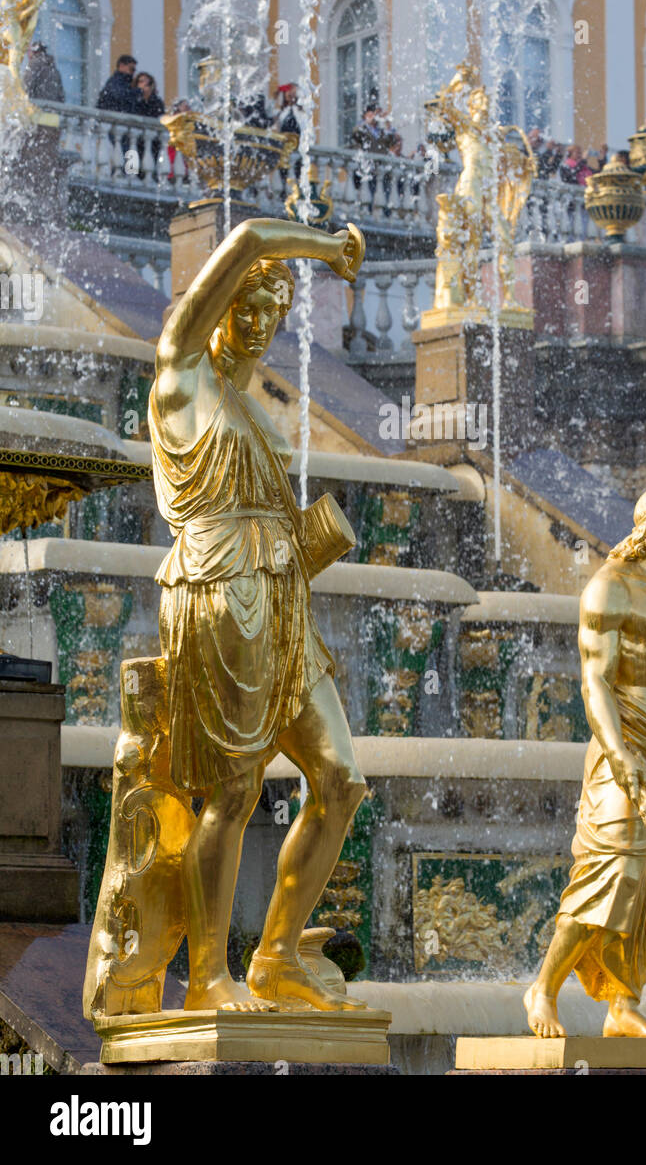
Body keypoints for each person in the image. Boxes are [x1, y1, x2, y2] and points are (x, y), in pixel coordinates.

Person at [149, 212, 368, 1012]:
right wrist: (325, 250)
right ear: (213, 314)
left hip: (282, 604)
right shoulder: (180, 375)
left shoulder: (258, 415)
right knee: (234, 794)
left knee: (340, 778)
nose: (259, 329)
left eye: (273, 319)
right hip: (216, 595)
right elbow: (243, 240)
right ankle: (208, 977)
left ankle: (276, 956)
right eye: (247, 311)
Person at [525, 485, 646, 1039]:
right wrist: (623, 756)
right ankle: (544, 988)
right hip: (625, 754)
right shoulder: (609, 588)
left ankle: (623, 1004)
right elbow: (596, 683)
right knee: (612, 875)